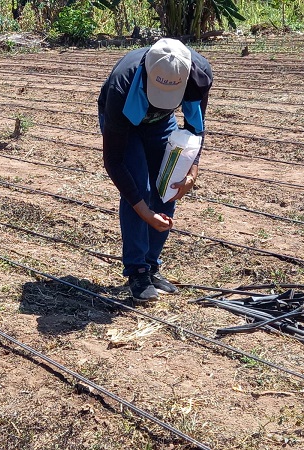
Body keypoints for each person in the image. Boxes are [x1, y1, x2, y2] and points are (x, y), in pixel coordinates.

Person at [98, 38, 213, 303]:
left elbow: (196, 127)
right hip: (126, 122)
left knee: (169, 184)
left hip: (161, 124)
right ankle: (137, 270)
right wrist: (145, 211)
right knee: (139, 186)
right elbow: (114, 160)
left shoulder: (199, 74)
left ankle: (151, 266)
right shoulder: (122, 84)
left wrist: (192, 170)